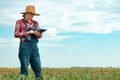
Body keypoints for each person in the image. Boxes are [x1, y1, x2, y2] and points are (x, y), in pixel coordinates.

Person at [14, 5, 43, 80]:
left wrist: (38, 34)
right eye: (30, 14)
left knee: (38, 67)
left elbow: (40, 36)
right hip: (24, 47)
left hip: (34, 47)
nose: (32, 15)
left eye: (33, 14)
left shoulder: (36, 23)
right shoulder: (19, 22)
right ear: (26, 13)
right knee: (24, 67)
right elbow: (16, 34)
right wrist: (27, 33)